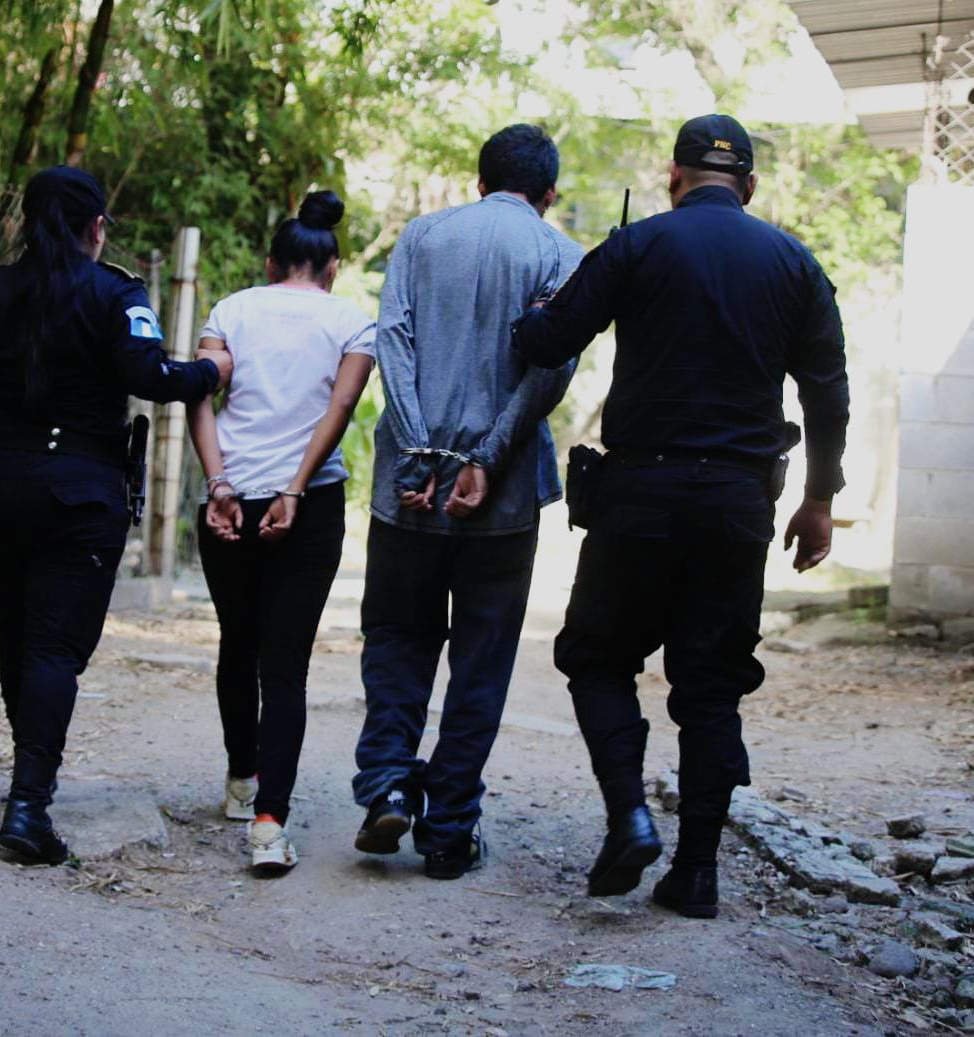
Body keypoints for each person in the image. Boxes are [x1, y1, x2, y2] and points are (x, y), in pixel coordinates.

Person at [511, 114, 849, 918]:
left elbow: (546, 340)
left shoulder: (636, 246)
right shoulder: (795, 263)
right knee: (710, 691)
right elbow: (826, 393)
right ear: (750, 186)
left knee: (595, 658)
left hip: (637, 497)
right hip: (736, 505)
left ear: (672, 176)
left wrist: (534, 307)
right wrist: (819, 499)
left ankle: (628, 813)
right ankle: (695, 872)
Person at [0, 166, 229, 865]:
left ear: (21, 225)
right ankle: (27, 808)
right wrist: (208, 373)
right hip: (77, 497)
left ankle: (27, 781)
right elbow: (149, 375)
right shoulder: (115, 292)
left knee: (21, 630)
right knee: (52, 647)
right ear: (96, 227)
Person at [352, 124, 584, 879]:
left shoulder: (421, 237)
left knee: (396, 639)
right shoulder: (559, 255)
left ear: (479, 179)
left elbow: (394, 339)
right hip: (504, 499)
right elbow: (547, 373)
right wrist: (486, 458)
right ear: (548, 193)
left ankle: (387, 780)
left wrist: (421, 450)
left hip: (407, 489)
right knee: (481, 662)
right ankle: (449, 826)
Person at [188, 190, 375, 875]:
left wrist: (220, 485)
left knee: (237, 639)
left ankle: (242, 779)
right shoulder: (353, 321)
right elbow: (343, 404)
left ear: (271, 263)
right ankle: (269, 823)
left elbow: (199, 395)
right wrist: (294, 488)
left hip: (229, 500)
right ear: (331, 266)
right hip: (311, 503)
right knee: (284, 662)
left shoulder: (233, 309)